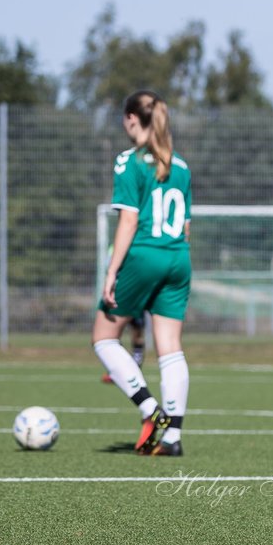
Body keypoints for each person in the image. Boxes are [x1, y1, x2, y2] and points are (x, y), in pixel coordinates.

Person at [93, 90, 192, 456]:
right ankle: (173, 437)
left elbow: (129, 220)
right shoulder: (180, 165)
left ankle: (152, 410)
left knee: (104, 337)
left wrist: (111, 271)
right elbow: (185, 227)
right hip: (178, 258)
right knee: (170, 347)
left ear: (132, 119)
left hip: (144, 255)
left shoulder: (128, 161)